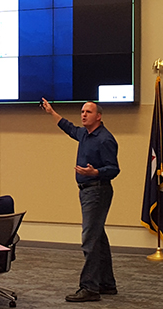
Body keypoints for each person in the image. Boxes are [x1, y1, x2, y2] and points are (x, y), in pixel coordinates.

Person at [41, 98, 119, 302]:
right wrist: (51, 112)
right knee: (98, 237)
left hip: (98, 190)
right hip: (86, 191)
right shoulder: (84, 134)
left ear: (98, 116)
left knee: (89, 240)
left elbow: (114, 169)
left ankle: (90, 287)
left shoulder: (105, 139)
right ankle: (107, 283)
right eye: (82, 111)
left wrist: (96, 172)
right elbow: (68, 127)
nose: (83, 114)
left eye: (88, 112)